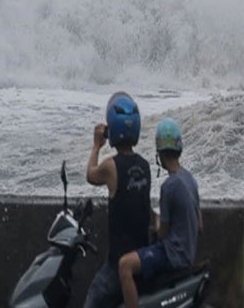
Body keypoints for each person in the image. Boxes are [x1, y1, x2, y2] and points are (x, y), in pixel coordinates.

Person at [117, 118, 201, 308]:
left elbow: (162, 233)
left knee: (125, 265)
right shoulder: (190, 179)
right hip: (188, 252)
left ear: (159, 154)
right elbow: (200, 223)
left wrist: (155, 221)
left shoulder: (169, 186)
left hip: (173, 255)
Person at [83, 92, 152, 308]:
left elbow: (90, 175)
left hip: (118, 263)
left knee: (93, 301)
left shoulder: (110, 166)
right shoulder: (145, 166)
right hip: (141, 257)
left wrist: (96, 145)